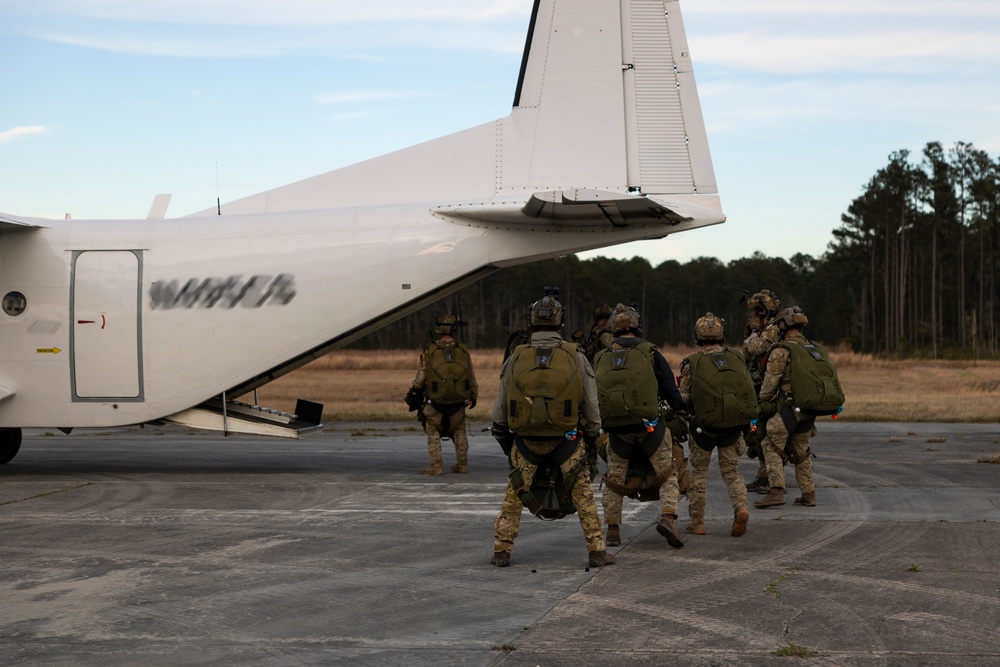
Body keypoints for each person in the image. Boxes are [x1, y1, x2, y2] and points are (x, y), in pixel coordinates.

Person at [490, 290, 613, 568]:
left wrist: (506, 439)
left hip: (526, 443)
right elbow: (591, 406)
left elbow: (500, 409)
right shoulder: (576, 356)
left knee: (514, 495)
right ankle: (596, 550)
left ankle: (501, 550)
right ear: (561, 323)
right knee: (583, 494)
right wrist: (592, 436)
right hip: (567, 442)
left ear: (531, 322)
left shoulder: (516, 357)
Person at [594, 304, 687, 549]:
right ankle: (668, 517)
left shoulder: (602, 356)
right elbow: (669, 388)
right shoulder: (650, 352)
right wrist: (680, 407)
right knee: (668, 472)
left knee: (614, 479)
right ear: (637, 326)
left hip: (616, 433)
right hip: (650, 429)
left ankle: (612, 530)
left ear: (613, 328)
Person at [753, 306, 844, 509]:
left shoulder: (782, 350)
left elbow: (769, 385)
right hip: (809, 408)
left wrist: (762, 401)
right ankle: (808, 494)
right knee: (801, 451)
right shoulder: (814, 348)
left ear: (783, 326)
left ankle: (775, 491)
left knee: (770, 444)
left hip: (790, 408)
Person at [679, 313, 755, 537]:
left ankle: (698, 523)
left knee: (699, 474)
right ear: (722, 336)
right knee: (732, 472)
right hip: (733, 426)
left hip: (702, 428)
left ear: (698, 337)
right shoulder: (736, 358)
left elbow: (683, 397)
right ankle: (740, 507)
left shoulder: (691, 363)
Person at [405, 314, 478, 475]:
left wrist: (414, 392)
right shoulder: (462, 350)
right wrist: (473, 396)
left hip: (434, 401)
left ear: (439, 329)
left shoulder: (430, 350)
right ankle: (462, 465)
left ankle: (436, 467)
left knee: (433, 431)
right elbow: (471, 376)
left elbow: (421, 376)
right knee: (459, 431)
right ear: (454, 329)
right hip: (458, 401)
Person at [742, 289, 782, 494]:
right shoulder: (763, 328)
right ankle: (763, 475)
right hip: (758, 387)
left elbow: (756, 348)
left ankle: (772, 480)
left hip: (771, 391)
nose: (753, 316)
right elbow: (747, 355)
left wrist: (754, 333)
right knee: (757, 435)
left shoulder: (774, 329)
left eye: (756, 312)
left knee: (768, 436)